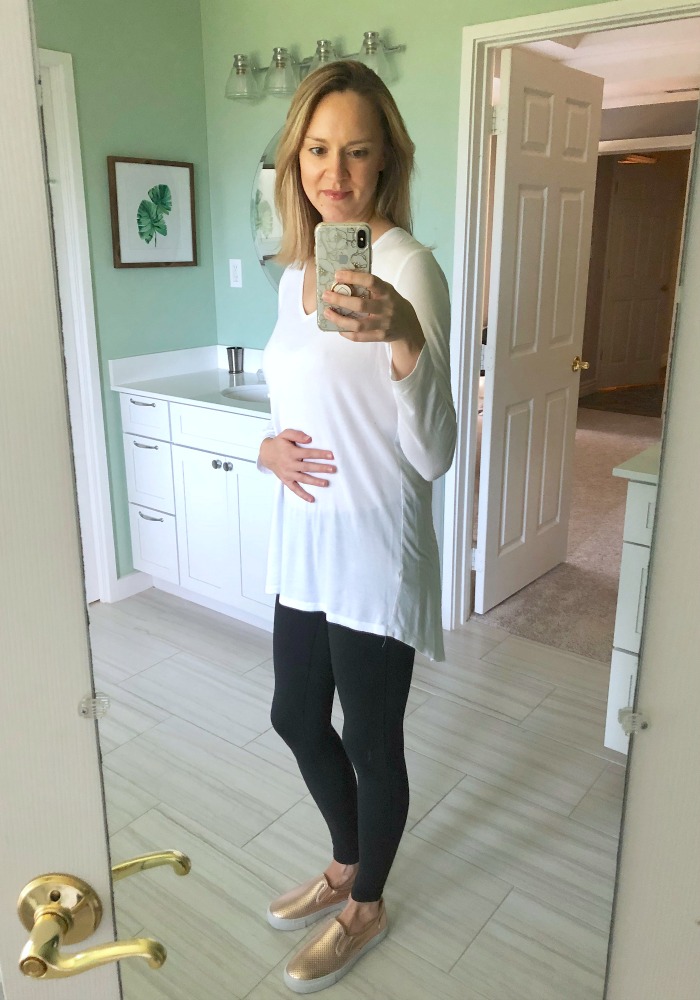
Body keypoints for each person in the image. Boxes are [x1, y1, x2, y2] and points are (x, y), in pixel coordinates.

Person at [257, 59, 456, 994]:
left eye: (357, 153)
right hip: (306, 541)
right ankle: (345, 862)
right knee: (295, 716)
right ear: (296, 159)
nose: (334, 173)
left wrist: (405, 330)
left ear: (386, 163)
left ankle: (366, 902)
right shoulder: (296, 272)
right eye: (317, 150)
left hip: (376, 544)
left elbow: (435, 453)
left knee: (374, 744)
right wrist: (268, 449)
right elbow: (296, 399)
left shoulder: (408, 267)